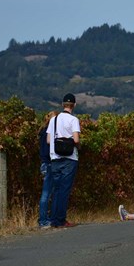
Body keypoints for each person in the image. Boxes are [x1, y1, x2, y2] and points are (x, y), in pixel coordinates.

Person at [45, 93, 81, 228]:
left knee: (56, 189)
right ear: (74, 105)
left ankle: (54, 219)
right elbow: (76, 139)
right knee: (65, 190)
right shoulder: (73, 120)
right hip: (69, 158)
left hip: (55, 158)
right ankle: (61, 219)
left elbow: (48, 140)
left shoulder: (53, 119)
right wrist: (77, 145)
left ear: (62, 104)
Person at [38, 111, 57, 228]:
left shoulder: (42, 132)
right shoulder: (48, 134)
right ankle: (44, 220)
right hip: (49, 164)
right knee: (46, 194)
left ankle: (46, 218)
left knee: (48, 193)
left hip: (44, 164)